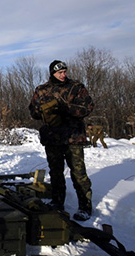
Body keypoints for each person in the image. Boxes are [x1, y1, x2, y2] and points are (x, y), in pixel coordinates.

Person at [29, 60, 94, 221]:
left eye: (65, 71)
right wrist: (43, 110)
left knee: (79, 173)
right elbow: (33, 111)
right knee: (56, 173)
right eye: (60, 72)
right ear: (53, 73)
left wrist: (67, 108)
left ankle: (84, 206)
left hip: (73, 137)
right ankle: (58, 202)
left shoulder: (76, 87)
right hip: (53, 138)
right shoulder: (42, 90)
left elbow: (88, 107)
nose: (63, 75)